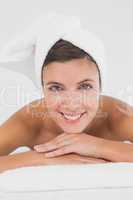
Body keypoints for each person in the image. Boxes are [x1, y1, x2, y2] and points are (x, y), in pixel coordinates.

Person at [0, 38, 133, 173]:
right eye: (56, 88)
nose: (71, 104)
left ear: (100, 86)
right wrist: (41, 157)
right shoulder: (29, 121)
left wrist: (98, 146)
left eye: (85, 86)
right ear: (43, 90)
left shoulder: (118, 114)